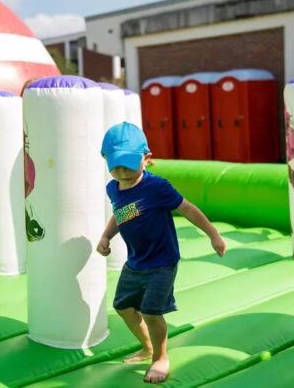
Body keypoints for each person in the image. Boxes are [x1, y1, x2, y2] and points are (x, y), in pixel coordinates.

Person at [96, 122, 227, 383]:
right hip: (136, 262)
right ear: (105, 160)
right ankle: (147, 347)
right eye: (116, 167)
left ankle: (160, 357)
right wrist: (106, 235)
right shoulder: (114, 188)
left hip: (162, 262)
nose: (122, 173)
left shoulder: (157, 188)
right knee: (122, 307)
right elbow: (122, 214)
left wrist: (213, 235)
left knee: (152, 312)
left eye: (129, 166)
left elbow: (188, 209)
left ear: (146, 158)